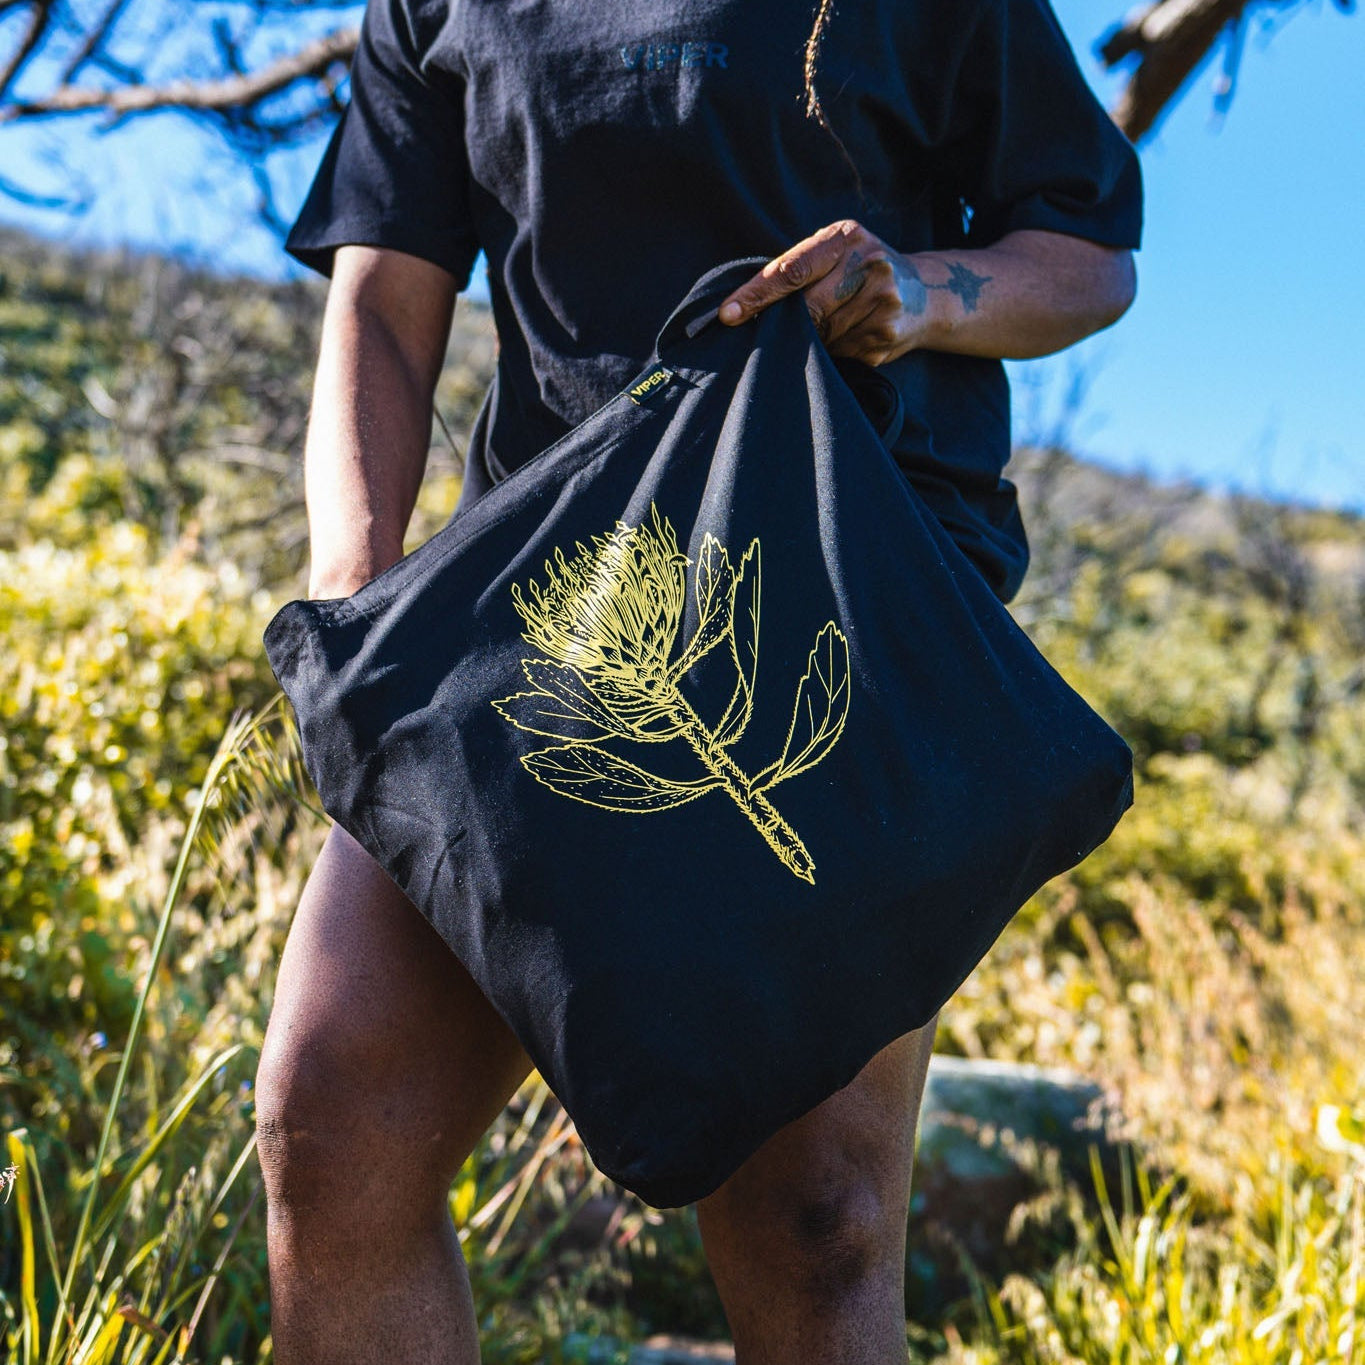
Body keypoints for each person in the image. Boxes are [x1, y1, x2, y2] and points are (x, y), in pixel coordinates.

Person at [254, 0, 1142, 1360]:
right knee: (329, 1123)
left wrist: (915, 290)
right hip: (541, 610)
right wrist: (354, 598)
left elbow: (1084, 253)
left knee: (813, 1219)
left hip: (840, 588)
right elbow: (381, 291)